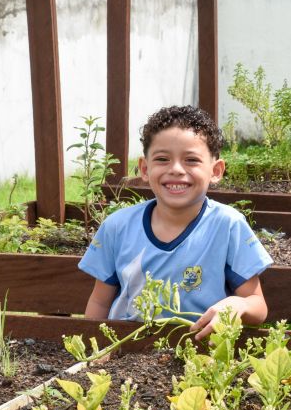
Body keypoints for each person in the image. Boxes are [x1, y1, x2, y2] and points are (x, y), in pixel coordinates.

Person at [79, 105, 273, 339]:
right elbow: (100, 301)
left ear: (216, 171)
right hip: (125, 349)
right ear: (144, 168)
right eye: (162, 159)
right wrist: (93, 346)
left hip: (201, 353)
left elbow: (258, 305)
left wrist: (236, 305)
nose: (176, 170)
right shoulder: (117, 226)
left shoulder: (228, 225)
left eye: (191, 160)